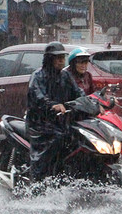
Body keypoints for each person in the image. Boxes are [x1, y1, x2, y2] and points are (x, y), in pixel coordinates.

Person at [26, 41, 84, 182]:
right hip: (40, 123)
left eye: (62, 58)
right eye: (57, 58)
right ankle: (37, 180)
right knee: (56, 139)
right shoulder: (38, 76)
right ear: (49, 59)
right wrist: (53, 105)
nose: (61, 61)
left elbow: (78, 92)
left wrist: (93, 102)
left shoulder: (65, 76)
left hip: (61, 121)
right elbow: (38, 96)